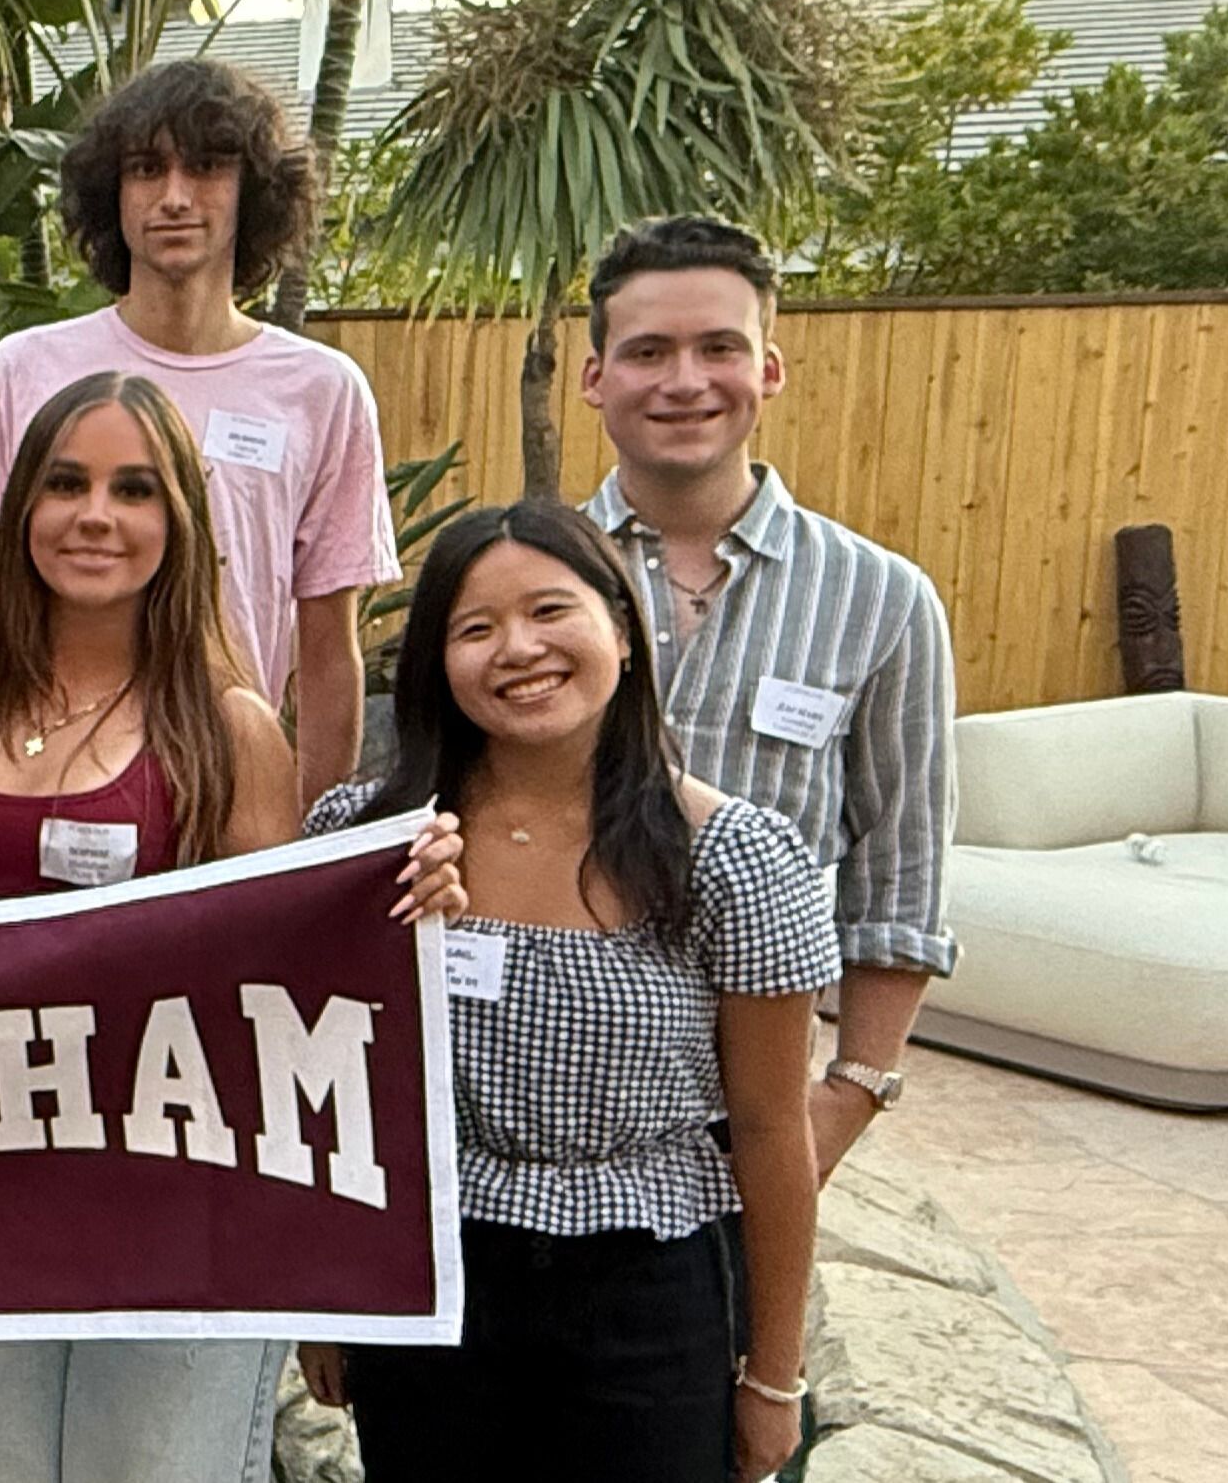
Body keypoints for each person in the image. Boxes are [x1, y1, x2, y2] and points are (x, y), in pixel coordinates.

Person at [0, 372, 458, 1483]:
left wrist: (399, 898)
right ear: (20, 510)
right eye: (65, 483)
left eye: (133, 487)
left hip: (178, 1206)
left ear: (181, 522)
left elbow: (287, 972)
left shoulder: (228, 728)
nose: (95, 514)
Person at [301, 502, 833, 1483]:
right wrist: (328, 1303)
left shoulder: (730, 858)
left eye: (551, 610)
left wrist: (773, 1372)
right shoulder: (362, 840)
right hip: (431, 1279)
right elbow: (326, 1097)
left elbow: (768, 1126)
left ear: (621, 632)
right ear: (435, 661)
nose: (519, 649)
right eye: (476, 627)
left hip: (649, 1287)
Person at [576, 216, 956, 1184]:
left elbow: (901, 873)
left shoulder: (882, 598)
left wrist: (853, 1090)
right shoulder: (526, 579)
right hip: (543, 1087)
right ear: (595, 378)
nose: (684, 380)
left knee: (754, 1337)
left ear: (770, 368)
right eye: (647, 351)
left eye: (720, 347)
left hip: (756, 1102)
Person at [0, 59, 395, 811]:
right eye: (147, 168)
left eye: (207, 166)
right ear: (112, 192)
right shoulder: (24, 371)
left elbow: (330, 650)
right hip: (39, 786)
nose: (175, 196)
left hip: (226, 792)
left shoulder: (323, 390)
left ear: (255, 190)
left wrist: (300, 846)